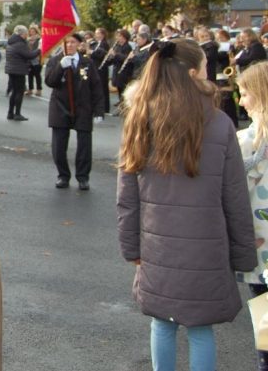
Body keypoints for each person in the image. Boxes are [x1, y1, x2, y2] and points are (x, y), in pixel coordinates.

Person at [117, 38, 256, 371]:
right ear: (193, 73)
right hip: (207, 248)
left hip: (156, 246)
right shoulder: (219, 123)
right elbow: (234, 195)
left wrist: (130, 247)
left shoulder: (139, 118)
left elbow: (127, 195)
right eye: (207, 67)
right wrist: (243, 254)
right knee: (200, 329)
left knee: (162, 324)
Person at [236, 62, 268, 370]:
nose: (241, 101)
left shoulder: (244, 142)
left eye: (245, 94)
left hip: (259, 253)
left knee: (266, 334)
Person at [45, 33, 104, 190]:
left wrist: (99, 111)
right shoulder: (56, 60)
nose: (69, 45)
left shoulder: (87, 63)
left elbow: (96, 88)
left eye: (73, 42)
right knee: (58, 146)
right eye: (67, 42)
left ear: (79, 44)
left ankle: (83, 177)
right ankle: (63, 175)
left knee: (84, 145)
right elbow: (50, 81)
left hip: (82, 107)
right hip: (60, 107)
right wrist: (60, 67)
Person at [5, 25, 40, 121]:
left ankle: (10, 112)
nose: (26, 36)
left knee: (14, 92)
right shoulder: (20, 44)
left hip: (11, 69)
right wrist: (39, 50)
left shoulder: (11, 42)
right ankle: (17, 113)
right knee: (19, 92)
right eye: (25, 34)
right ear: (21, 34)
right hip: (18, 70)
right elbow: (29, 55)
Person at [26, 25, 42, 96]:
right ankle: (30, 89)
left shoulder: (39, 39)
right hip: (29, 59)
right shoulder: (27, 40)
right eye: (31, 31)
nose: (32, 32)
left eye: (33, 31)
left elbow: (40, 49)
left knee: (37, 75)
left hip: (37, 59)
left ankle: (39, 89)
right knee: (30, 75)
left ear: (36, 31)